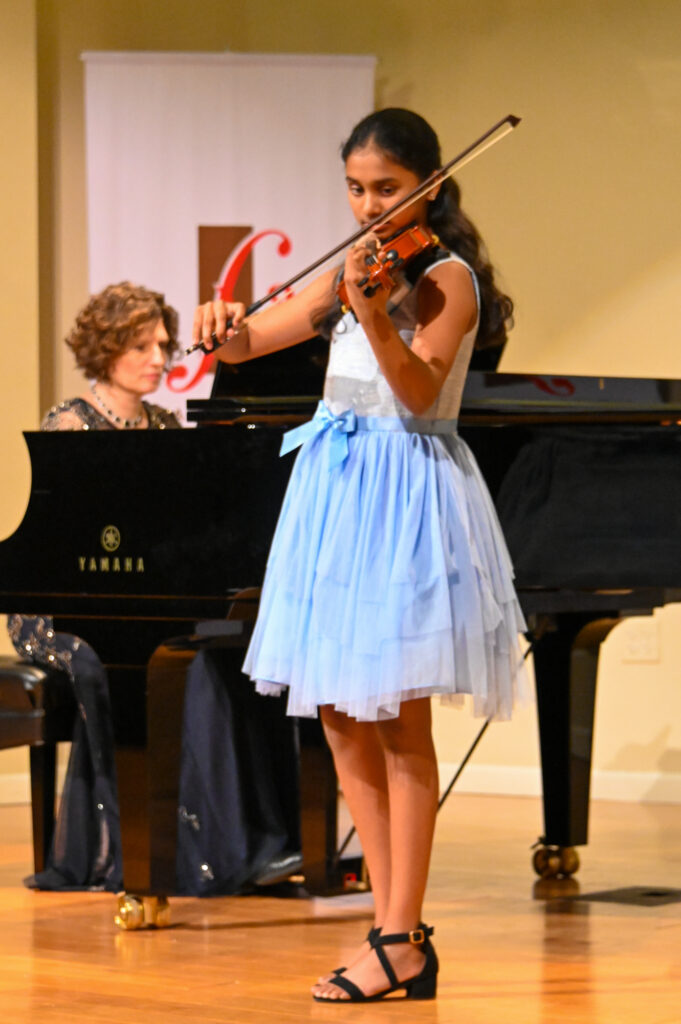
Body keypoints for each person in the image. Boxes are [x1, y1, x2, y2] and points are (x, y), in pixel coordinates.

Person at [192, 108, 527, 1003]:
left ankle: (399, 934)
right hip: (335, 496)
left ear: (428, 185)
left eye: (386, 188)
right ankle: (390, 930)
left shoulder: (445, 279)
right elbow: (253, 339)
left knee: (400, 725)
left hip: (404, 495)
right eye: (354, 188)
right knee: (341, 718)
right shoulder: (354, 265)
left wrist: (374, 317)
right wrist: (223, 324)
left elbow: (417, 395)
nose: (368, 205)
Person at [9, 282, 301, 894]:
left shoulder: (166, 425)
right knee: (149, 662)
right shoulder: (71, 423)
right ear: (106, 348)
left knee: (228, 655)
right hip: (66, 612)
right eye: (140, 346)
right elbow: (59, 549)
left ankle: (245, 844)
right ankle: (180, 854)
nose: (158, 357)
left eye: (163, 345)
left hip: (143, 601)